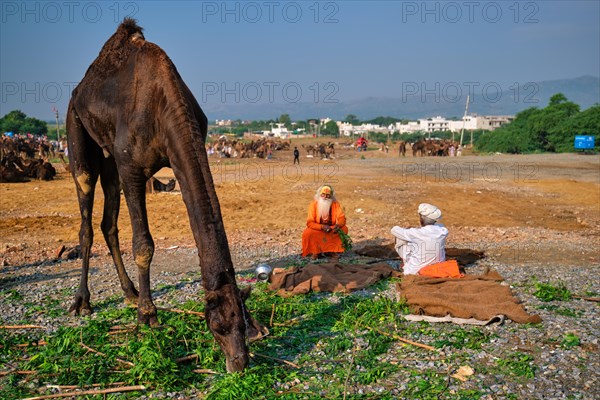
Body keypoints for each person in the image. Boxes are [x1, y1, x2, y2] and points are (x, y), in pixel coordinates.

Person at [390, 203, 448, 275]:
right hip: (439, 268)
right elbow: (431, 230)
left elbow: (394, 230)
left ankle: (404, 264)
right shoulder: (443, 231)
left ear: (421, 218)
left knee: (400, 237)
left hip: (415, 271)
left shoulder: (415, 233)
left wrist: (409, 228)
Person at [301, 185, 348, 260]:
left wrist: (338, 225)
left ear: (331, 196)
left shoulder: (335, 204)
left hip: (331, 228)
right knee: (308, 233)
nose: (325, 197)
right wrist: (322, 227)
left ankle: (331, 251)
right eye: (323, 194)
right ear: (319, 195)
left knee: (344, 229)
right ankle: (315, 252)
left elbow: (341, 218)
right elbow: (310, 223)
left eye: (328, 195)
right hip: (318, 229)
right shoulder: (313, 205)